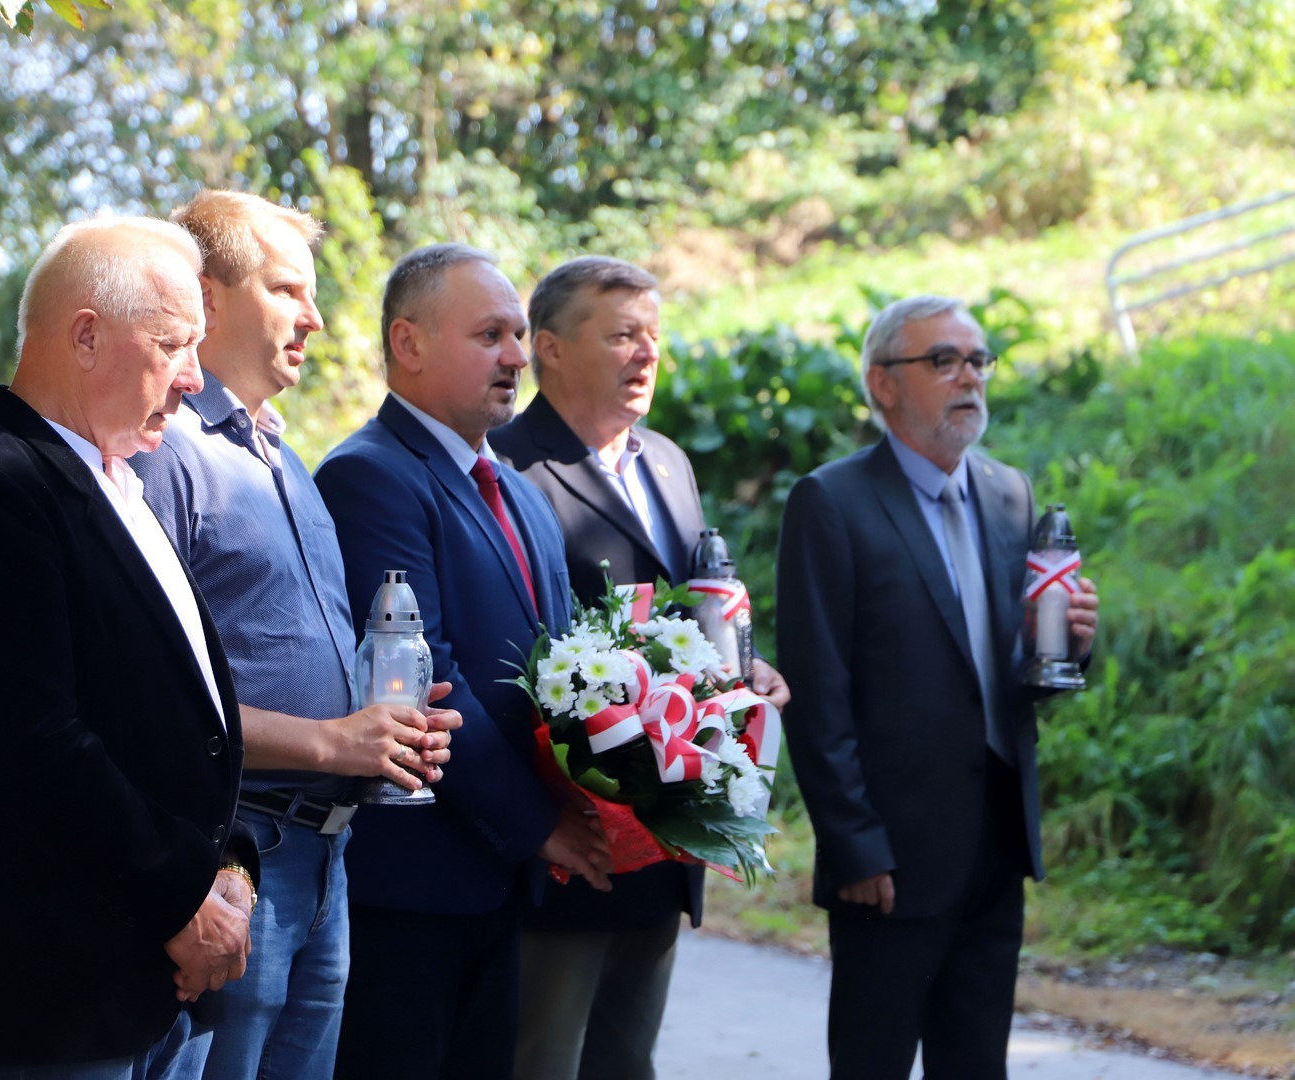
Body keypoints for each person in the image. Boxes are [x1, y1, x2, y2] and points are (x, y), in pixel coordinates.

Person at [0, 217, 259, 1079]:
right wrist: (184, 896)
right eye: (173, 344)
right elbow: (34, 748)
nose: (195, 377)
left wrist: (229, 874)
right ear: (86, 335)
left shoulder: (117, 482)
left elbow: (176, 718)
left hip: (154, 977)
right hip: (62, 990)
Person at [130, 190, 460, 1080]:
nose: (314, 317)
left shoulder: (282, 454)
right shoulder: (164, 453)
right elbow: (149, 700)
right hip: (233, 855)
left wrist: (381, 725)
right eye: (286, 290)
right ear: (206, 296)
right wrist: (332, 740)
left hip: (324, 854)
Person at [775, 295, 1100, 1078]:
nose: (969, 377)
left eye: (978, 360)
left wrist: (1069, 642)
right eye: (943, 361)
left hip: (995, 843)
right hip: (889, 856)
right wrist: (853, 845)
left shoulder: (1010, 493)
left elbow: (1017, 674)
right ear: (883, 384)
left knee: (978, 1064)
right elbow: (818, 693)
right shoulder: (833, 501)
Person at [314, 244, 612, 1080]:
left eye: (518, 335)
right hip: (412, 890)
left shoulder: (518, 490)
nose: (517, 356)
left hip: (501, 881)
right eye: (490, 335)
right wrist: (541, 826)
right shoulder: (368, 477)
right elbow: (429, 679)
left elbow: (564, 670)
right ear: (407, 343)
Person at [494, 254, 791, 1080]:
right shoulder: (506, 465)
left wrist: (748, 670)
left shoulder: (667, 460)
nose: (647, 353)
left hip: (668, 834)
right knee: (544, 1061)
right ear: (551, 348)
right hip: (573, 835)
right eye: (623, 334)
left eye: (653, 335)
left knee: (629, 1061)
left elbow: (697, 608)